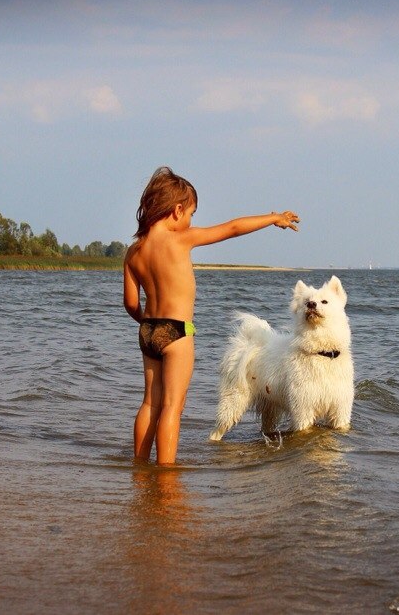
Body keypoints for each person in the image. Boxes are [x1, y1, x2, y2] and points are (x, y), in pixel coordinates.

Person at [123, 167, 299, 464]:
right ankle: (166, 474)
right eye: (191, 213)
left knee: (149, 403)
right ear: (177, 210)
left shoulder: (134, 251)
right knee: (171, 407)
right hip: (177, 330)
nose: (192, 220)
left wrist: (144, 321)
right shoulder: (181, 240)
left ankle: (140, 466)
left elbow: (130, 303)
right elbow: (231, 228)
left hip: (148, 331)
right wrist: (273, 219)